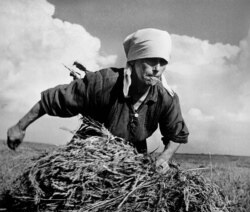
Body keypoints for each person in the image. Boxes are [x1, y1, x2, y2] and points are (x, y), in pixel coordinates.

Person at [7, 28, 189, 173]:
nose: (157, 68)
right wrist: (20, 126)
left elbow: (176, 134)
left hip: (133, 161)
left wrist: (163, 159)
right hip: (88, 154)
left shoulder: (166, 98)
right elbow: (54, 100)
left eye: (162, 62)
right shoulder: (104, 83)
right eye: (150, 60)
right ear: (133, 61)